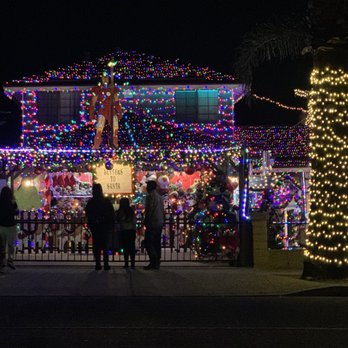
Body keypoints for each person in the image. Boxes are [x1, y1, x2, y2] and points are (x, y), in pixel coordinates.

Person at [85, 183, 115, 271]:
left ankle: (98, 263)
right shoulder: (106, 201)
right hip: (104, 226)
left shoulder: (91, 202)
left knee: (96, 245)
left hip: (96, 226)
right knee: (105, 245)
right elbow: (111, 213)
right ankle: (106, 263)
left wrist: (92, 222)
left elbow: (88, 213)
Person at [89, 75, 122, 149]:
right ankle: (96, 146)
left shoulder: (113, 88)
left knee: (115, 130)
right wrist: (91, 114)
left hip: (112, 111)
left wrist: (119, 112)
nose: (105, 79)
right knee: (99, 130)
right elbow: (93, 102)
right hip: (102, 111)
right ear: (101, 79)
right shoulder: (98, 89)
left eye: (106, 78)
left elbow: (117, 101)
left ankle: (115, 145)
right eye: (103, 78)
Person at [143, 180, 164, 270]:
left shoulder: (150, 197)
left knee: (149, 242)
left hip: (152, 222)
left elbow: (149, 209)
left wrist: (146, 220)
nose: (146, 188)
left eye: (147, 186)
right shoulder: (159, 197)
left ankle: (153, 260)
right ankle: (157, 262)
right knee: (156, 242)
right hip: (159, 221)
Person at [0, 186, 18, 271]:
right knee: (11, 244)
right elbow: (16, 211)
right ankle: (10, 260)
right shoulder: (12, 202)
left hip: (2, 226)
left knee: (2, 245)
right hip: (11, 225)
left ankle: (2, 261)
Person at [116, 197, 137, 270]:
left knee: (125, 248)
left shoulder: (121, 211)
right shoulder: (131, 210)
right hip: (131, 230)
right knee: (131, 247)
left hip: (124, 230)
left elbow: (119, 220)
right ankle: (132, 264)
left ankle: (126, 263)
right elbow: (134, 220)